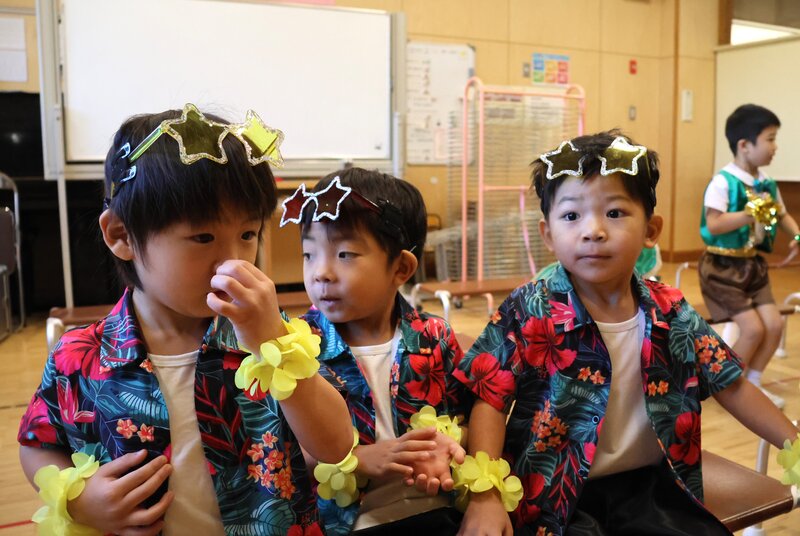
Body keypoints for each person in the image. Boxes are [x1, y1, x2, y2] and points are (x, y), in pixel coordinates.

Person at [18, 104, 353, 535]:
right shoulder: (78, 355)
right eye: (203, 236)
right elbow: (37, 444)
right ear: (121, 235)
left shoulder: (275, 336)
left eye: (248, 234)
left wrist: (274, 344)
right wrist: (78, 499)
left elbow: (335, 445)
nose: (232, 261)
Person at [452, 131, 800, 535]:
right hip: (550, 495)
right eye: (571, 216)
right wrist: (485, 495)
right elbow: (489, 399)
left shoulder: (671, 310)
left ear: (651, 230)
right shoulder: (530, 307)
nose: (593, 230)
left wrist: (794, 444)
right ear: (548, 234)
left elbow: (732, 385)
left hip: (653, 490)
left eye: (615, 212)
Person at [279, 168, 472, 535]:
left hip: (436, 510)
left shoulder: (435, 336)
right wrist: (356, 459)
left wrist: (449, 444)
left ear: (401, 268)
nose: (321, 273)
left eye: (345, 254)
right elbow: (278, 452)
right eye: (309, 254)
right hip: (346, 524)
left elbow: (466, 420)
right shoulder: (295, 348)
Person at [699, 103, 800, 409]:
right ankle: (727, 388)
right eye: (770, 139)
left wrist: (796, 236)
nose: (775, 146)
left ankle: (752, 384)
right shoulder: (723, 182)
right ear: (744, 145)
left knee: (774, 325)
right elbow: (713, 225)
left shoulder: (766, 184)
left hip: (753, 266)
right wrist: (749, 213)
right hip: (722, 268)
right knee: (753, 329)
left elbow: (781, 214)